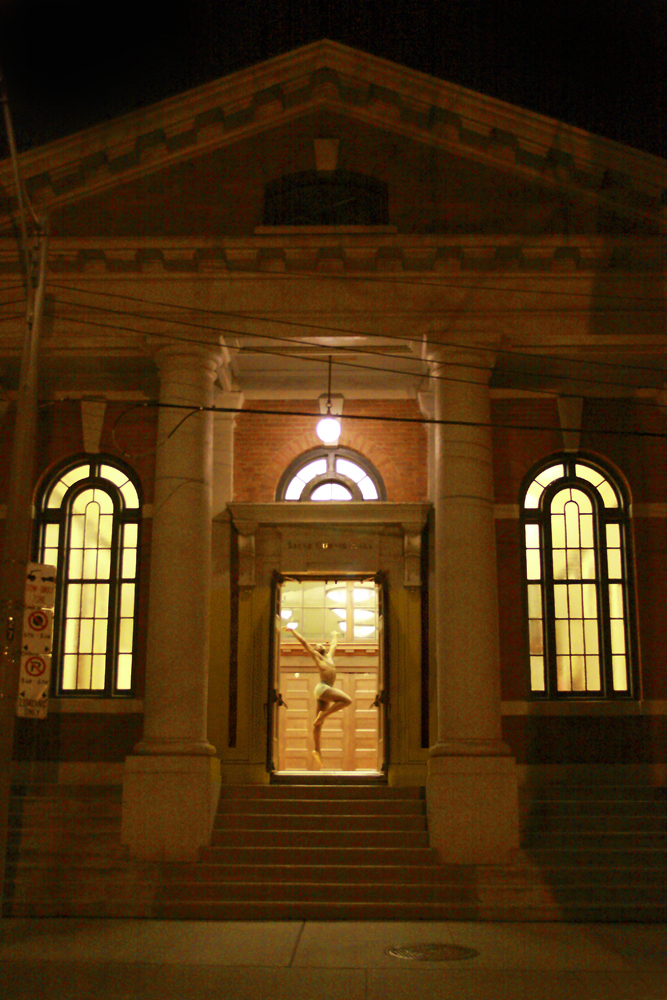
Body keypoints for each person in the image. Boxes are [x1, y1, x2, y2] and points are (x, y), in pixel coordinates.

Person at [286, 627, 352, 767]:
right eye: (317, 645)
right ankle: (324, 715)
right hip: (322, 688)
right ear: (315, 650)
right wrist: (292, 631)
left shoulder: (329, 657)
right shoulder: (317, 657)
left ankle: (317, 750)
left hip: (324, 691)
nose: (320, 645)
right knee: (347, 700)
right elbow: (304, 642)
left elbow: (334, 645)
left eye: (322, 644)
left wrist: (335, 634)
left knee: (318, 724)